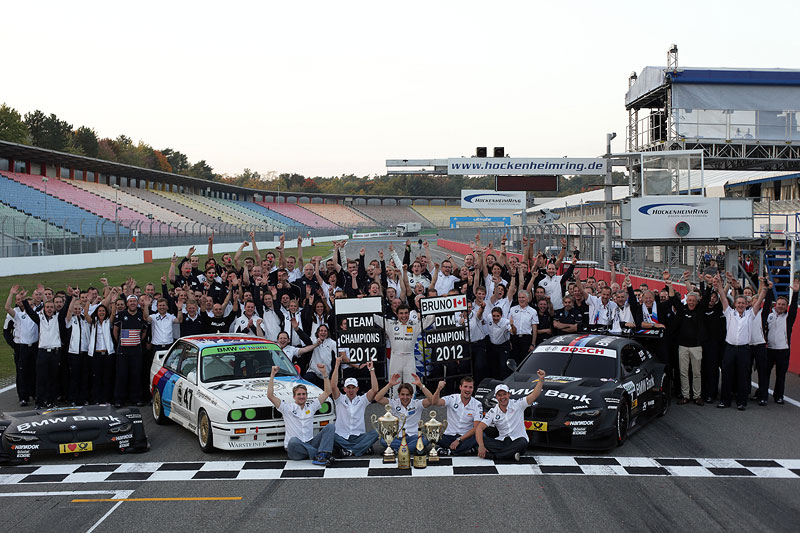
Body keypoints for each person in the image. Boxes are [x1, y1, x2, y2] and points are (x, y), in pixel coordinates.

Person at [267, 364, 336, 466]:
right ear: (294, 396)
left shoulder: (311, 407)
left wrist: (325, 373)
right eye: (299, 394)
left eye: (304, 394)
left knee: (330, 427)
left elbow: (327, 392)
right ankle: (319, 454)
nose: (301, 396)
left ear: (307, 396)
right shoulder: (287, 408)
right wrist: (272, 374)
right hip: (296, 450)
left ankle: (323, 454)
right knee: (293, 441)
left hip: (310, 443)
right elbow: (270, 396)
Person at [716, 276, 766, 410]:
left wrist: (764, 288)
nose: (740, 305)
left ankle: (741, 402)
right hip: (730, 349)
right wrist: (720, 285)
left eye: (743, 303)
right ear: (735, 304)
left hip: (744, 349)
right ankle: (725, 401)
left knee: (743, 376)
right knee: (726, 374)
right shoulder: (729, 313)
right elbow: (722, 297)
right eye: (738, 303)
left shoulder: (751, 314)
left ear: (746, 305)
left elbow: (760, 300)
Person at [476, 370, 546, 462]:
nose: (502, 397)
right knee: (479, 441)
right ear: (496, 397)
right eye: (499, 395)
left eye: (504, 394)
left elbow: (534, 395)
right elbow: (479, 428)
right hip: (502, 442)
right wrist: (481, 446)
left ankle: (495, 457)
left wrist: (541, 380)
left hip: (517, 441)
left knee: (523, 441)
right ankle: (511, 455)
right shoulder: (493, 411)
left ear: (509, 394)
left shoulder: (518, 404)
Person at [374, 373, 444, 452]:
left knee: (426, 440)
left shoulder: (417, 404)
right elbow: (377, 398)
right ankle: (409, 449)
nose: (405, 397)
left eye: (408, 395)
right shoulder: (393, 403)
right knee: (383, 441)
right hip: (398, 436)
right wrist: (389, 385)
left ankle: (399, 450)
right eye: (402, 395)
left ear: (411, 395)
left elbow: (432, 400)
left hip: (414, 436)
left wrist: (421, 386)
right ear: (399, 395)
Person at [330, 357, 380, 457]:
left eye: (353, 388)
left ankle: (349, 450)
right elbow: (333, 386)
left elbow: (375, 389)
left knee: (376, 434)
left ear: (357, 389)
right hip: (342, 436)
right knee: (330, 435)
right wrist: (336, 366)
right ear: (344, 389)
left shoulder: (362, 400)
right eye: (348, 388)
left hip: (358, 436)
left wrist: (371, 370)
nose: (351, 390)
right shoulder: (339, 399)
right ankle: (360, 448)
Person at [765, 278, 798, 404]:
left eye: (783, 304)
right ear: (775, 304)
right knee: (765, 373)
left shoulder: (788, 318)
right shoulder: (769, 315)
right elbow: (767, 304)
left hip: (783, 350)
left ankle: (778, 396)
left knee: (780, 375)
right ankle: (762, 394)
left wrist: (795, 294)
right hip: (769, 349)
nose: (781, 306)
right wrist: (768, 290)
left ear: (786, 307)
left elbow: (794, 308)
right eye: (779, 304)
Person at [431, 376, 483, 456]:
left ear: (473, 389)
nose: (467, 390)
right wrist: (438, 389)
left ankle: (448, 451)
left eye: (470, 387)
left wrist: (459, 440)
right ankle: (465, 450)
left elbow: (476, 428)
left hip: (465, 437)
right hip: (448, 436)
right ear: (460, 387)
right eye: (465, 387)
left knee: (481, 434)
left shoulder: (477, 404)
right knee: (431, 434)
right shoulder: (452, 398)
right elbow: (435, 402)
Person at [113, 294, 148, 407]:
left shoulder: (140, 315)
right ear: (127, 303)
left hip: (136, 350)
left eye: (134, 301)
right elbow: (115, 331)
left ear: (137, 303)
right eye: (130, 301)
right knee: (121, 375)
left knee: (136, 375)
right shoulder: (121, 315)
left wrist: (137, 340)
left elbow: (143, 332)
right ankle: (119, 399)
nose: (132, 303)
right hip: (123, 350)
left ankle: (136, 398)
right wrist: (120, 342)